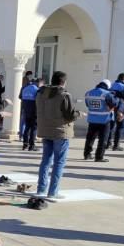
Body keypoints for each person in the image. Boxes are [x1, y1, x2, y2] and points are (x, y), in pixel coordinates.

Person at [35, 71, 82, 199]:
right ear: (64, 82)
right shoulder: (64, 95)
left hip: (45, 130)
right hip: (60, 132)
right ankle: (53, 192)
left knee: (45, 160)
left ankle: (41, 189)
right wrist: (79, 114)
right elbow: (69, 115)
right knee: (59, 162)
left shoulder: (40, 93)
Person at [83, 79, 117, 162]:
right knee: (103, 139)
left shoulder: (88, 93)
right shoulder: (107, 94)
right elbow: (114, 103)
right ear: (107, 86)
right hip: (104, 120)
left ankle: (87, 154)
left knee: (90, 138)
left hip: (92, 120)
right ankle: (99, 157)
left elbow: (87, 104)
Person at [107, 73, 124, 151]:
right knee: (120, 126)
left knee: (111, 126)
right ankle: (116, 145)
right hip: (120, 108)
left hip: (111, 108)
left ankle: (108, 144)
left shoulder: (111, 85)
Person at [20, 77, 42, 151]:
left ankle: (25, 144)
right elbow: (39, 100)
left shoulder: (25, 88)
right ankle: (31, 146)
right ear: (38, 83)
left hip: (26, 110)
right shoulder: (37, 90)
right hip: (34, 110)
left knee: (27, 127)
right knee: (33, 128)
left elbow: (20, 97)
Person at [18, 70, 34, 139]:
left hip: (24, 103)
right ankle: (24, 134)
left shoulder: (24, 82)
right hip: (29, 105)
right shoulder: (27, 82)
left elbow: (20, 96)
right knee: (26, 120)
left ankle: (21, 134)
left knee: (23, 120)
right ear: (29, 75)